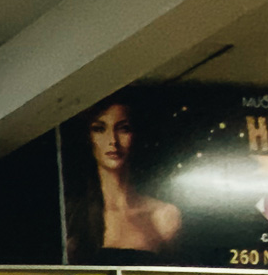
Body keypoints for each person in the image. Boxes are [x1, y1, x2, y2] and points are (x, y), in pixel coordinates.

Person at [66, 97, 182, 262]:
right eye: (99, 129)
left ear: (136, 134)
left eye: (123, 129)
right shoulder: (72, 215)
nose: (113, 141)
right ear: (88, 137)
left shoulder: (164, 215)